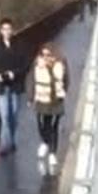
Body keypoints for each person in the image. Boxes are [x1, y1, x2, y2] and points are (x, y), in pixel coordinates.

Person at [0, 18, 30, 154]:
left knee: (14, 115)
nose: (7, 32)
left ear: (12, 30)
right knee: (4, 115)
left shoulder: (19, 45)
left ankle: (11, 141)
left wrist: (14, 73)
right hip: (0, 86)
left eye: (9, 29)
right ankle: (5, 145)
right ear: (1, 31)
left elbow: (25, 65)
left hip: (15, 84)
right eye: (4, 29)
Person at [31, 42, 69, 171]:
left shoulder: (60, 62)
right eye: (44, 54)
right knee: (41, 124)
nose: (46, 56)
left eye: (48, 54)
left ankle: (52, 153)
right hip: (41, 100)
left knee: (54, 126)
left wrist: (62, 93)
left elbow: (66, 79)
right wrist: (31, 96)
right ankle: (45, 142)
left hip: (55, 101)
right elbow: (31, 80)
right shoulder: (37, 64)